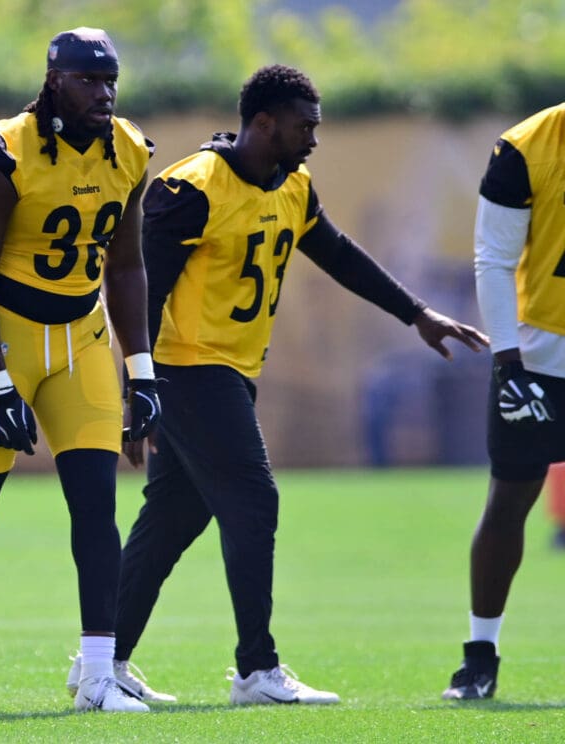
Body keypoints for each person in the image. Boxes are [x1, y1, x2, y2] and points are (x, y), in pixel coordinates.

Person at [66, 64, 489, 705]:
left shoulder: (292, 183)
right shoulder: (193, 187)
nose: (314, 140)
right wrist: (137, 390)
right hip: (187, 370)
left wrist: (418, 314)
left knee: (173, 518)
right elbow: (138, 293)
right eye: (304, 127)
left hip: (231, 371)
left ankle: (103, 660)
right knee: (254, 500)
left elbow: (338, 253)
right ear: (263, 124)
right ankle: (256, 670)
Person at [0, 28, 159, 714]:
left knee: (96, 507)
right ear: (53, 81)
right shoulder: (5, 152)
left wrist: (143, 368)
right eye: (87, 82)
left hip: (82, 338)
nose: (102, 95)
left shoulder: (129, 147)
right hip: (3, 337)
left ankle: (98, 676)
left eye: (110, 83)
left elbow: (127, 266)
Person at [441, 103, 565, 700]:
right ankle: (480, 655)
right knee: (511, 496)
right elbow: (493, 257)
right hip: (543, 354)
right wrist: (508, 362)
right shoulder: (526, 148)